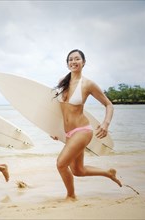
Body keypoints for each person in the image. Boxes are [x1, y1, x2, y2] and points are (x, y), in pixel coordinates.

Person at [52, 49, 122, 201]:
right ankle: (108, 173)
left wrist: (105, 124)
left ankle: (71, 196)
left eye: (77, 59)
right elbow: (58, 111)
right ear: (67, 63)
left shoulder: (87, 84)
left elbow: (109, 105)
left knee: (61, 164)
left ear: (83, 62)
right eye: (70, 59)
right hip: (69, 134)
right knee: (78, 170)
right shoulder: (62, 82)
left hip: (82, 131)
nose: (73, 62)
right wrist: (53, 130)